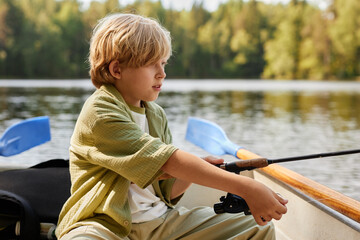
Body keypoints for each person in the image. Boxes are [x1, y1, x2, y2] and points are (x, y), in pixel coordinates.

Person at [56, 13, 288, 240]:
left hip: (160, 223)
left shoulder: (155, 115)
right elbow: (167, 160)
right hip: (101, 226)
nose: (162, 73)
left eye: (164, 63)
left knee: (256, 227)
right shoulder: (100, 112)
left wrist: (194, 172)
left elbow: (167, 188)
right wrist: (248, 187)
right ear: (117, 70)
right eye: (151, 65)